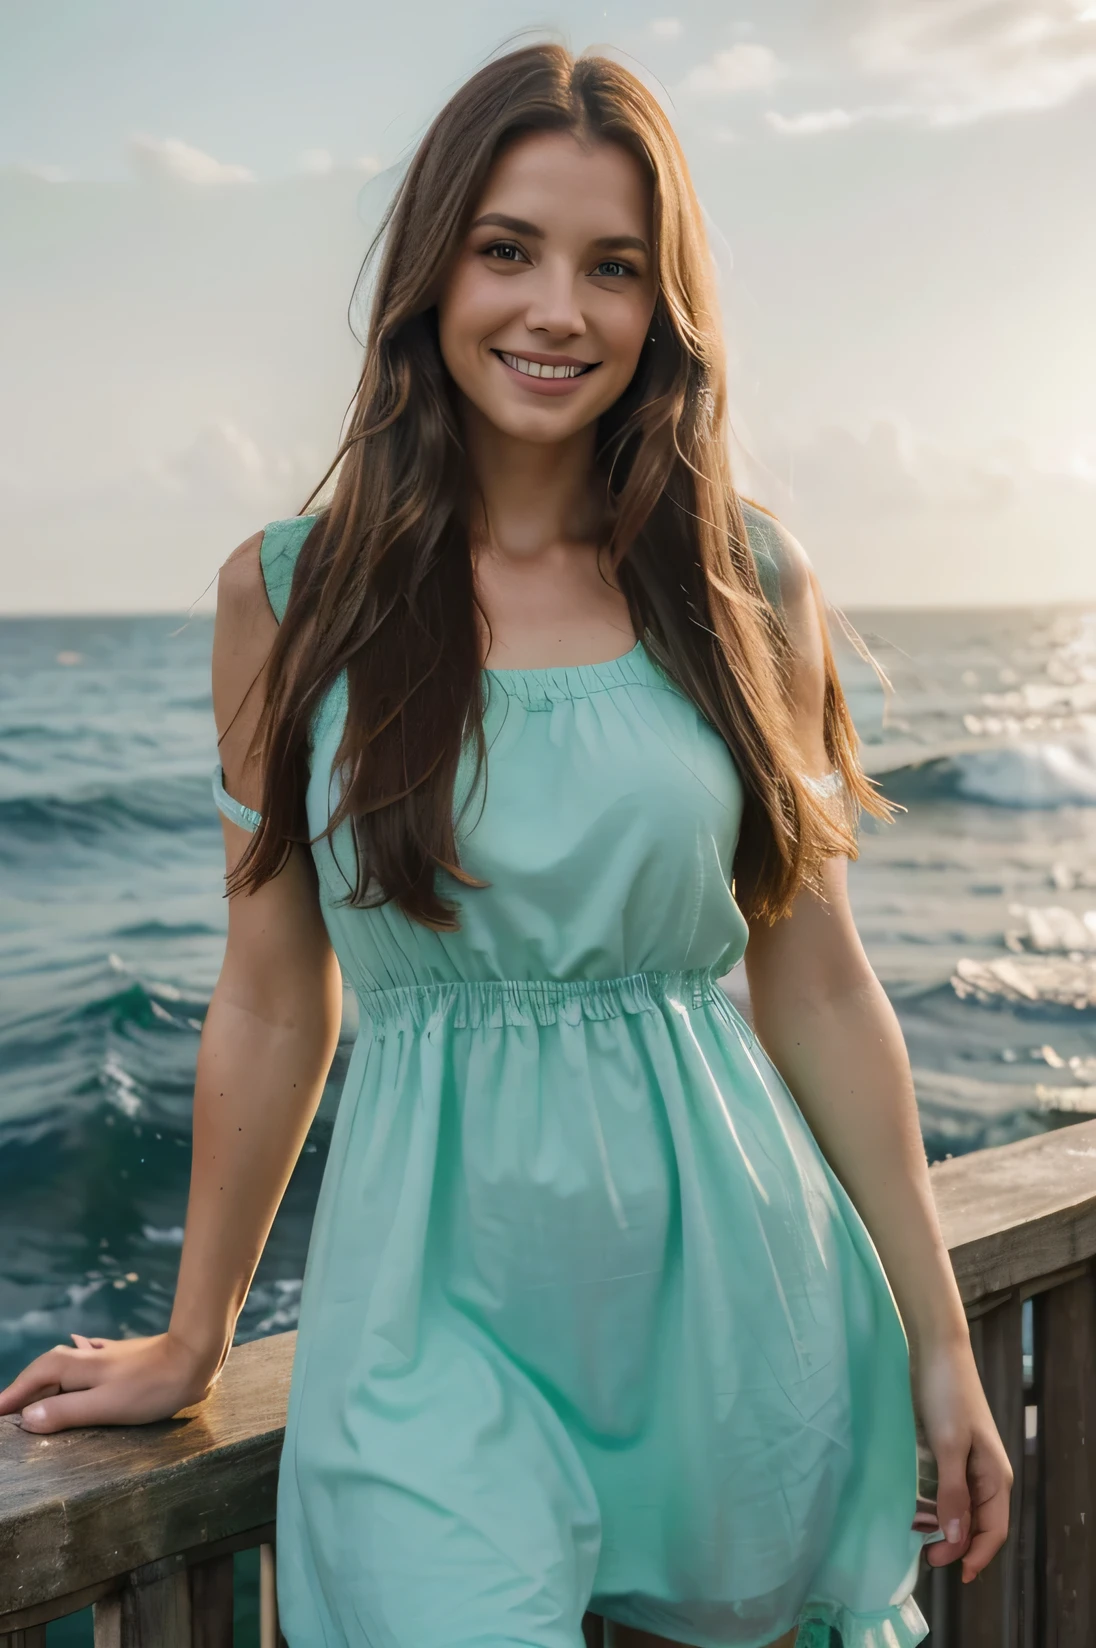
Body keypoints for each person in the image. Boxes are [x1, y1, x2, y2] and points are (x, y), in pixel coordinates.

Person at [0, 42, 1011, 1648]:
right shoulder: (290, 596)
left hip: (731, 1291)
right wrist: (194, 1339)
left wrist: (942, 1341)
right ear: (433, 274)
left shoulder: (750, 581)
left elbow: (815, 979)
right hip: (427, 1320)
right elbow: (273, 995)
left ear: (661, 311)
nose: (559, 309)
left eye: (614, 267)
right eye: (509, 249)